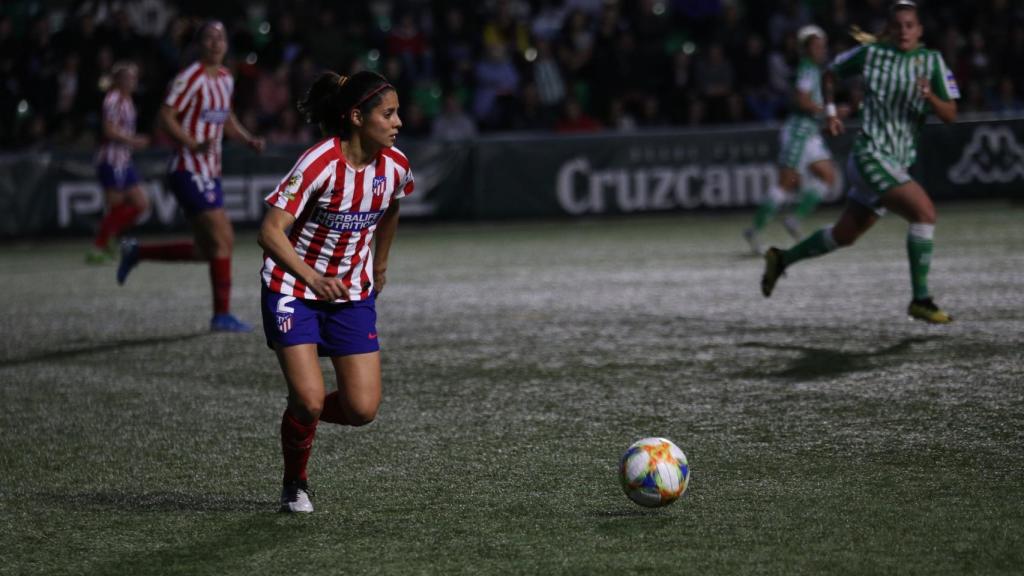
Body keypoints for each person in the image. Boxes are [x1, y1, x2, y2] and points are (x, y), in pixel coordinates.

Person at [258, 70, 413, 513]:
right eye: (388, 114)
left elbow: (392, 206)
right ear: (357, 117)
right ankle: (295, 483)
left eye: (397, 113)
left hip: (350, 294)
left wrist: (379, 264)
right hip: (292, 287)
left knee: (362, 409)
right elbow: (270, 232)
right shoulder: (319, 162)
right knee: (310, 398)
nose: (398, 122)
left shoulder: (395, 166)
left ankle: (300, 415)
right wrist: (311, 277)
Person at [761, 0, 959, 324]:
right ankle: (920, 299)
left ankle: (782, 258)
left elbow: (950, 114)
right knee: (924, 213)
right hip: (870, 154)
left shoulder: (932, 61)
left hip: (896, 162)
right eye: (897, 25)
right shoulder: (872, 54)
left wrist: (931, 97)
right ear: (889, 29)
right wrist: (830, 113)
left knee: (844, 235)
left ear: (919, 30)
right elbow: (829, 74)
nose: (904, 31)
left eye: (910, 25)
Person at [116, 21, 264, 332]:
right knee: (224, 238)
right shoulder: (190, 77)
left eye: (220, 38)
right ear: (199, 45)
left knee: (206, 250)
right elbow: (165, 116)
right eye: (209, 38)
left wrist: (247, 139)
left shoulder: (225, 78)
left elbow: (226, 118)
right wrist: (192, 144)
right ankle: (221, 316)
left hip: (210, 173)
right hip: (188, 168)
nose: (215, 43)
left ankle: (137, 251)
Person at [744, 25, 839, 255]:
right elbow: (801, 100)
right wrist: (826, 111)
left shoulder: (813, 69)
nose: (821, 50)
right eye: (816, 46)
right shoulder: (807, 69)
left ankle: (794, 219)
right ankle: (754, 230)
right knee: (785, 184)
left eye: (823, 46)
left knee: (828, 176)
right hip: (798, 132)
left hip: (810, 133)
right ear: (806, 49)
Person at [87, 61, 150, 264]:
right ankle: (99, 246)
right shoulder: (113, 100)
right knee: (116, 207)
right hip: (111, 160)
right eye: (130, 78)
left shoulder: (128, 100)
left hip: (124, 160)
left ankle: (107, 238)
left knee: (141, 204)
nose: (134, 82)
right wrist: (133, 140)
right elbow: (108, 130)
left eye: (135, 78)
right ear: (119, 80)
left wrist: (132, 142)